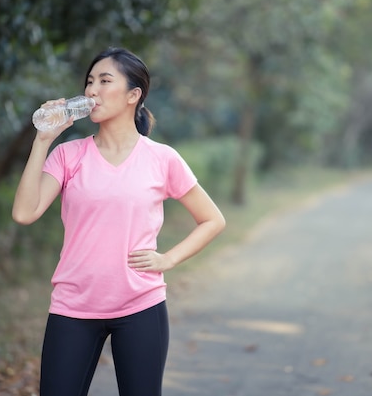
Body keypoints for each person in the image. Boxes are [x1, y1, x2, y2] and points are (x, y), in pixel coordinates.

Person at [12, 47, 226, 396]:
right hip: (73, 308)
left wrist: (167, 259)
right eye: (89, 81)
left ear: (133, 95)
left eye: (104, 81)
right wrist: (43, 140)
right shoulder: (68, 155)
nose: (92, 90)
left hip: (140, 306)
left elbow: (212, 220)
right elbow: (24, 213)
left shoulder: (162, 158)